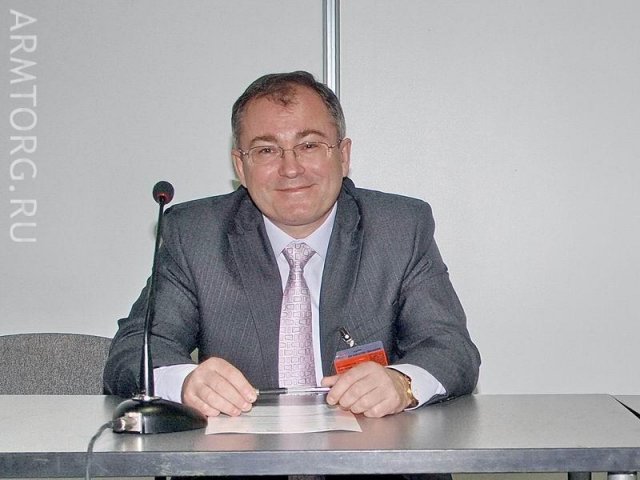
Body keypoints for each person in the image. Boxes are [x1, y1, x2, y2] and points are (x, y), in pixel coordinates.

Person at [104, 71, 480, 423]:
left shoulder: (398, 228)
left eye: (309, 145)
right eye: (267, 151)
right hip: (236, 459)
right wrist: (185, 382)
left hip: (370, 456)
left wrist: (402, 383)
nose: (291, 168)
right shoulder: (195, 234)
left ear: (343, 155)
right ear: (240, 166)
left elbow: (450, 348)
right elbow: (134, 350)